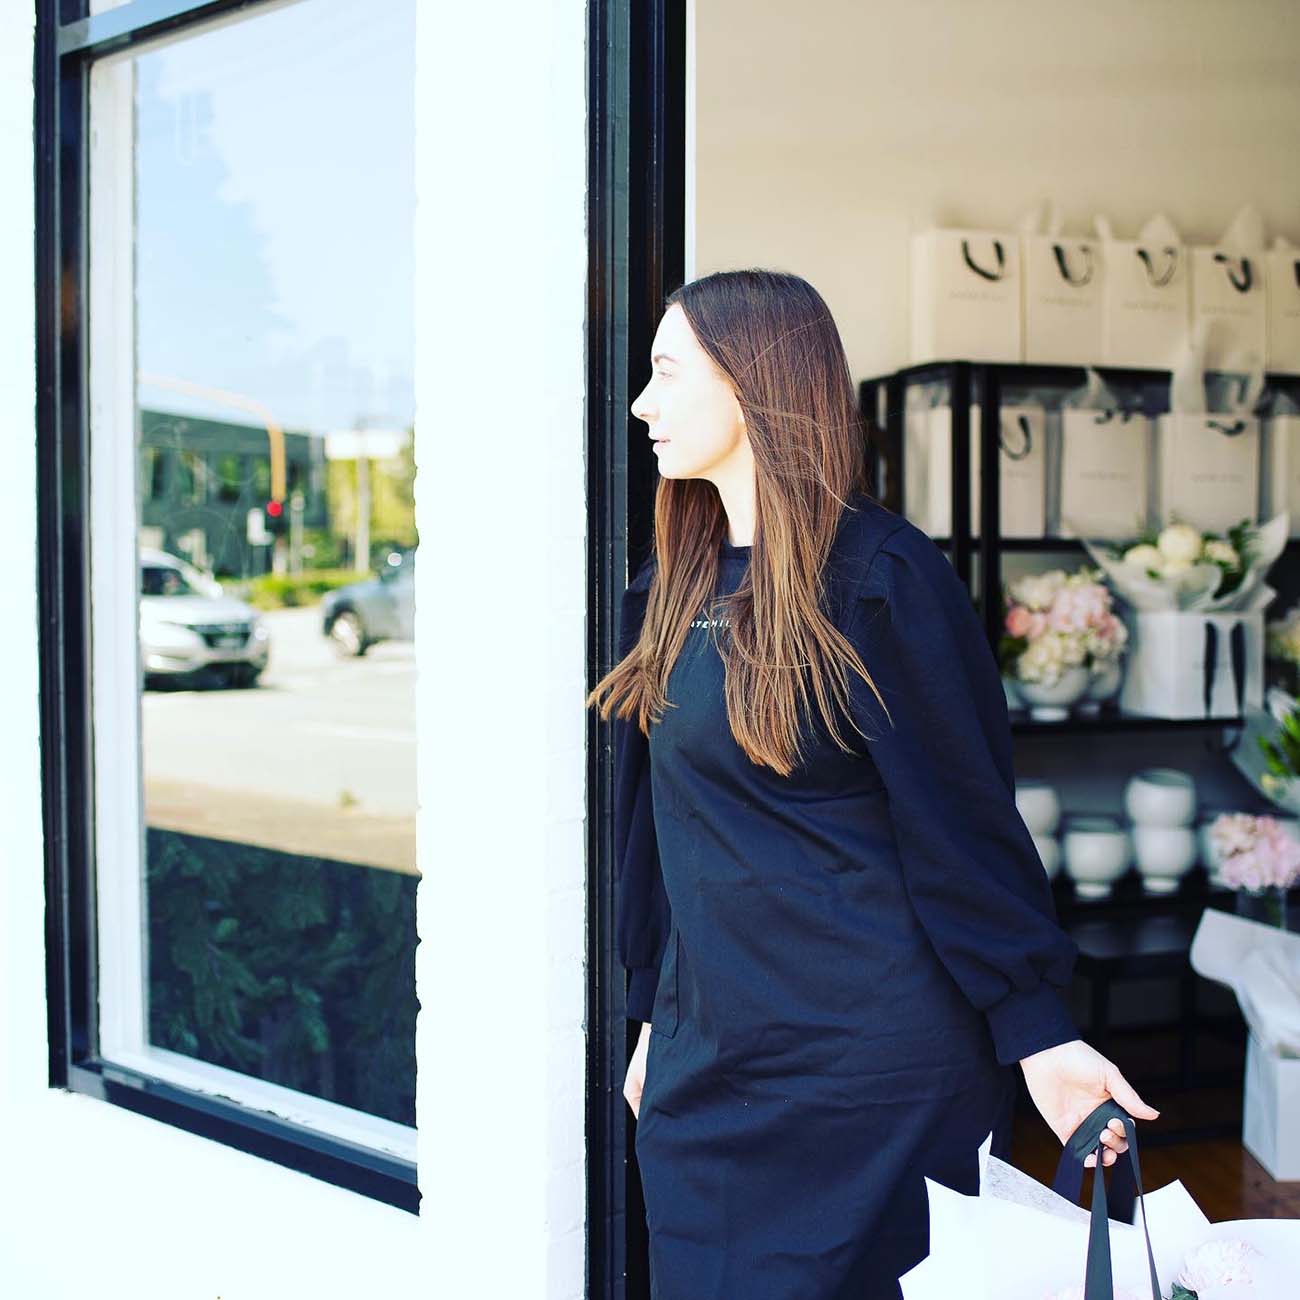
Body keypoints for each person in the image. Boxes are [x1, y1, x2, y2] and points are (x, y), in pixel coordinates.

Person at [586, 269, 1160, 1300]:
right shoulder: (666, 586)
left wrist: (1037, 1030)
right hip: (710, 1072)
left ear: (751, 381)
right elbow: (657, 834)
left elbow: (962, 825)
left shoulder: (883, 579)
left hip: (876, 1080)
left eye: (667, 373)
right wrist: (646, 1015)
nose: (642, 404)